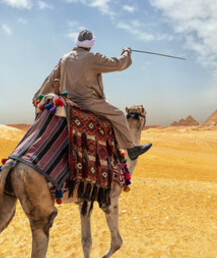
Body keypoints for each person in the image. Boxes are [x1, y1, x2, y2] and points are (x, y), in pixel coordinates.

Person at [35, 30, 152, 160]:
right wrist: (126, 52)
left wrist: (38, 96)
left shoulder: (65, 58)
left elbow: (51, 80)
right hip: (88, 102)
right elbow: (118, 64)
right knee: (118, 114)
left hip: (67, 101)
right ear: (91, 44)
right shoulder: (92, 58)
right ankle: (131, 148)